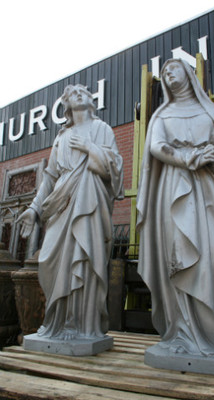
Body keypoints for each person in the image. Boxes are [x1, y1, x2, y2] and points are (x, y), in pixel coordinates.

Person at [136, 59, 214, 357]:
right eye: (164, 72)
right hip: (173, 192)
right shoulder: (162, 114)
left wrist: (212, 162)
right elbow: (157, 147)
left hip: (209, 192)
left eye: (173, 68)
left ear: (188, 73)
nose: (168, 73)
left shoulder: (210, 111)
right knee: (178, 259)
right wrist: (189, 157)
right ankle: (182, 334)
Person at [18, 84, 124, 340]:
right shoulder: (61, 137)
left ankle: (84, 326)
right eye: (70, 94)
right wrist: (34, 208)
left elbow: (116, 168)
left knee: (85, 259)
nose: (77, 93)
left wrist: (90, 148)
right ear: (66, 106)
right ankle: (58, 323)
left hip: (90, 202)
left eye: (82, 92)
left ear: (91, 100)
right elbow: (50, 177)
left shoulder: (102, 129)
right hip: (62, 203)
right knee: (52, 260)